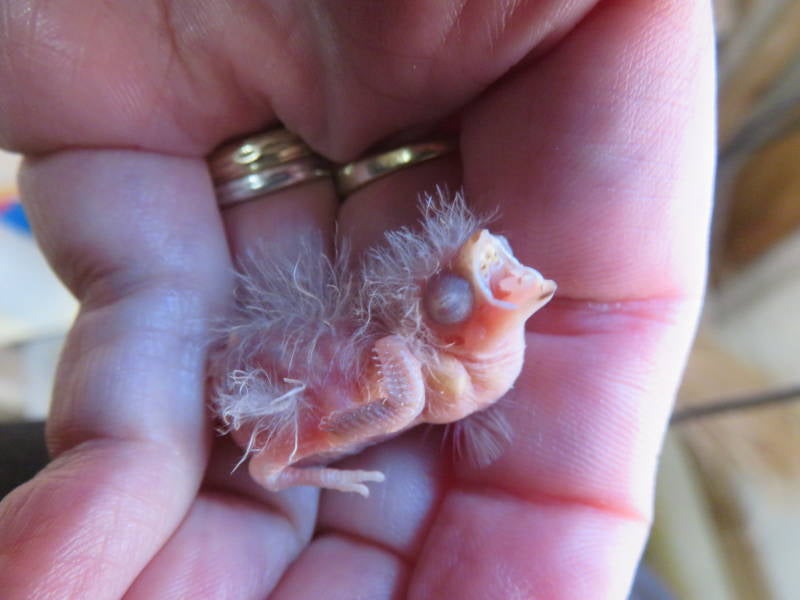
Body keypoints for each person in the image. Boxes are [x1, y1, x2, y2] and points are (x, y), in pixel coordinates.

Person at [0, 2, 715, 598]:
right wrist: (321, 443)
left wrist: (323, 440)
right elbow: (394, 400)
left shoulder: (426, 349)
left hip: (289, 377)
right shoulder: (412, 347)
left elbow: (395, 397)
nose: (500, 277)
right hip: (285, 378)